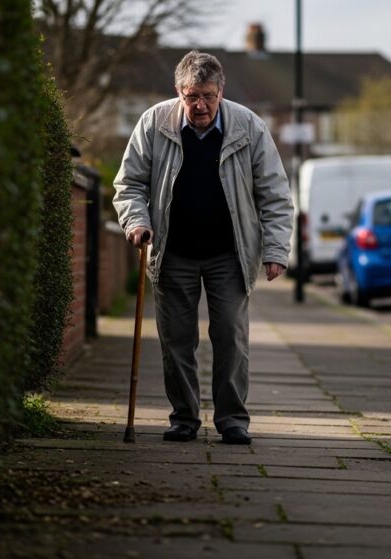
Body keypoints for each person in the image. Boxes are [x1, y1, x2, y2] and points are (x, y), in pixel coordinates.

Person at [113, 50, 293, 445]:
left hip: (228, 253)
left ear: (221, 91)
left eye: (209, 96)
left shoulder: (248, 127)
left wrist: (277, 250)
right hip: (173, 250)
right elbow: (129, 184)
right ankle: (184, 417)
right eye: (192, 95)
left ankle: (232, 419)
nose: (201, 105)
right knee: (176, 338)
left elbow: (275, 193)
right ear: (179, 91)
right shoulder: (154, 123)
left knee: (230, 333)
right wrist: (138, 221)